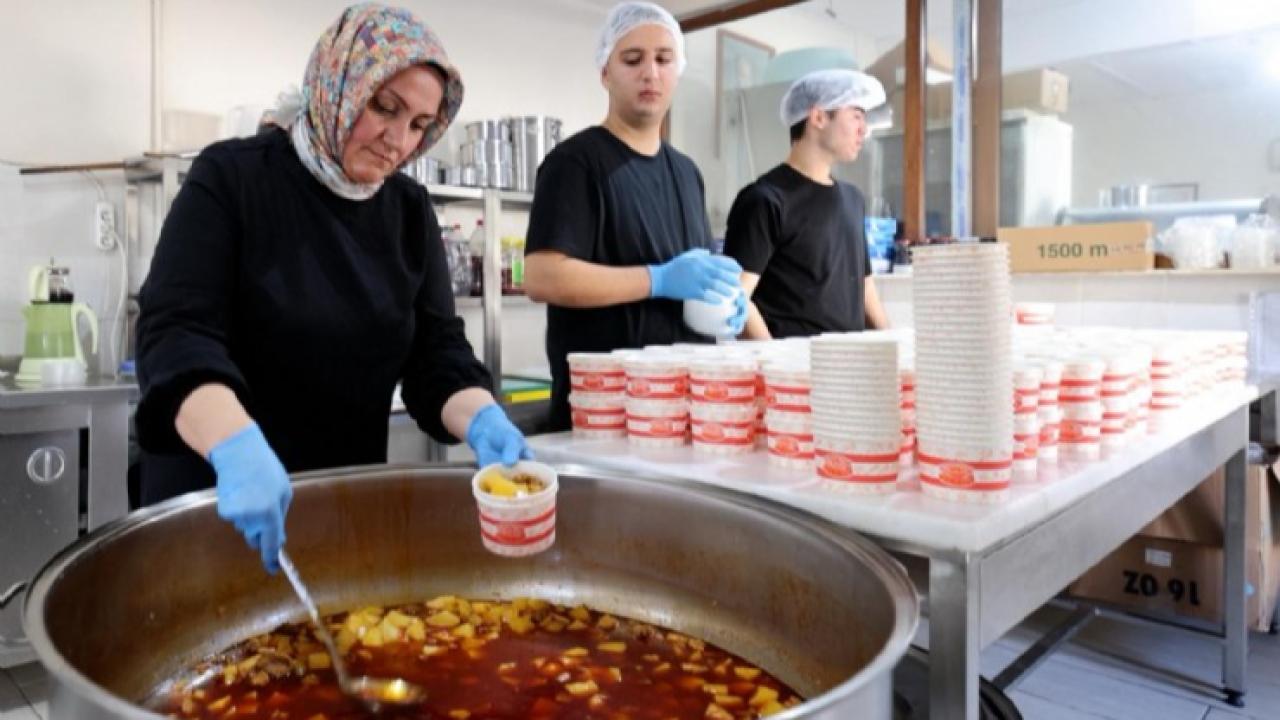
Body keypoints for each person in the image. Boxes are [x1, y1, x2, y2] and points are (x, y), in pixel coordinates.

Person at [135, 3, 531, 574]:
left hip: (338, 505)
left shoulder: (409, 211)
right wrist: (234, 446)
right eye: (384, 107)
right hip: (217, 498)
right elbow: (175, 331)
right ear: (337, 84)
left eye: (420, 125)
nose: (399, 140)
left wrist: (482, 418)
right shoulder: (234, 178)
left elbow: (435, 352)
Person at [523, 1, 747, 431]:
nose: (651, 72)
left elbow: (690, 274)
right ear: (605, 73)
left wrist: (722, 304)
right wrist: (657, 279)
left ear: (677, 72)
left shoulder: (687, 173)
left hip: (680, 409)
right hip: (602, 415)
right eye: (632, 59)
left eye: (664, 59)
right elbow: (541, 276)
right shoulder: (575, 163)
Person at [723, 69, 891, 339]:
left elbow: (864, 286)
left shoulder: (853, 200)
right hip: (792, 373)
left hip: (850, 368)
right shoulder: (764, 200)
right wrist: (776, 362)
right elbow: (736, 297)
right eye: (856, 116)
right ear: (819, 117)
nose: (864, 129)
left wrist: (892, 345)